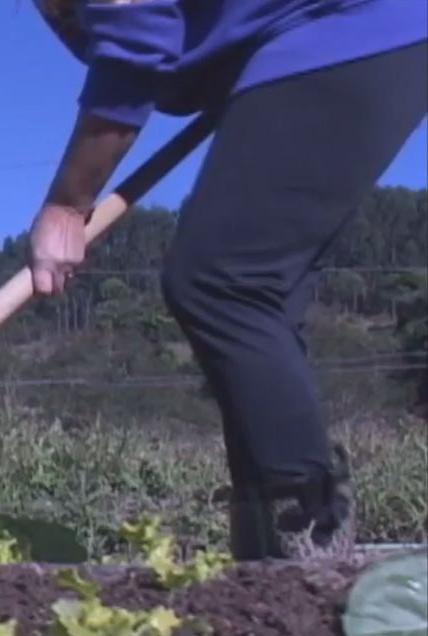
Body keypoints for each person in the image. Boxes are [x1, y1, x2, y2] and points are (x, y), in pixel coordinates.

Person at [28, 0, 427, 560]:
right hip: (313, 37)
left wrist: (67, 206)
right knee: (260, 297)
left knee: (224, 281)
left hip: (350, 26)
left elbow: (138, 41)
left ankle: (310, 547)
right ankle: (265, 572)